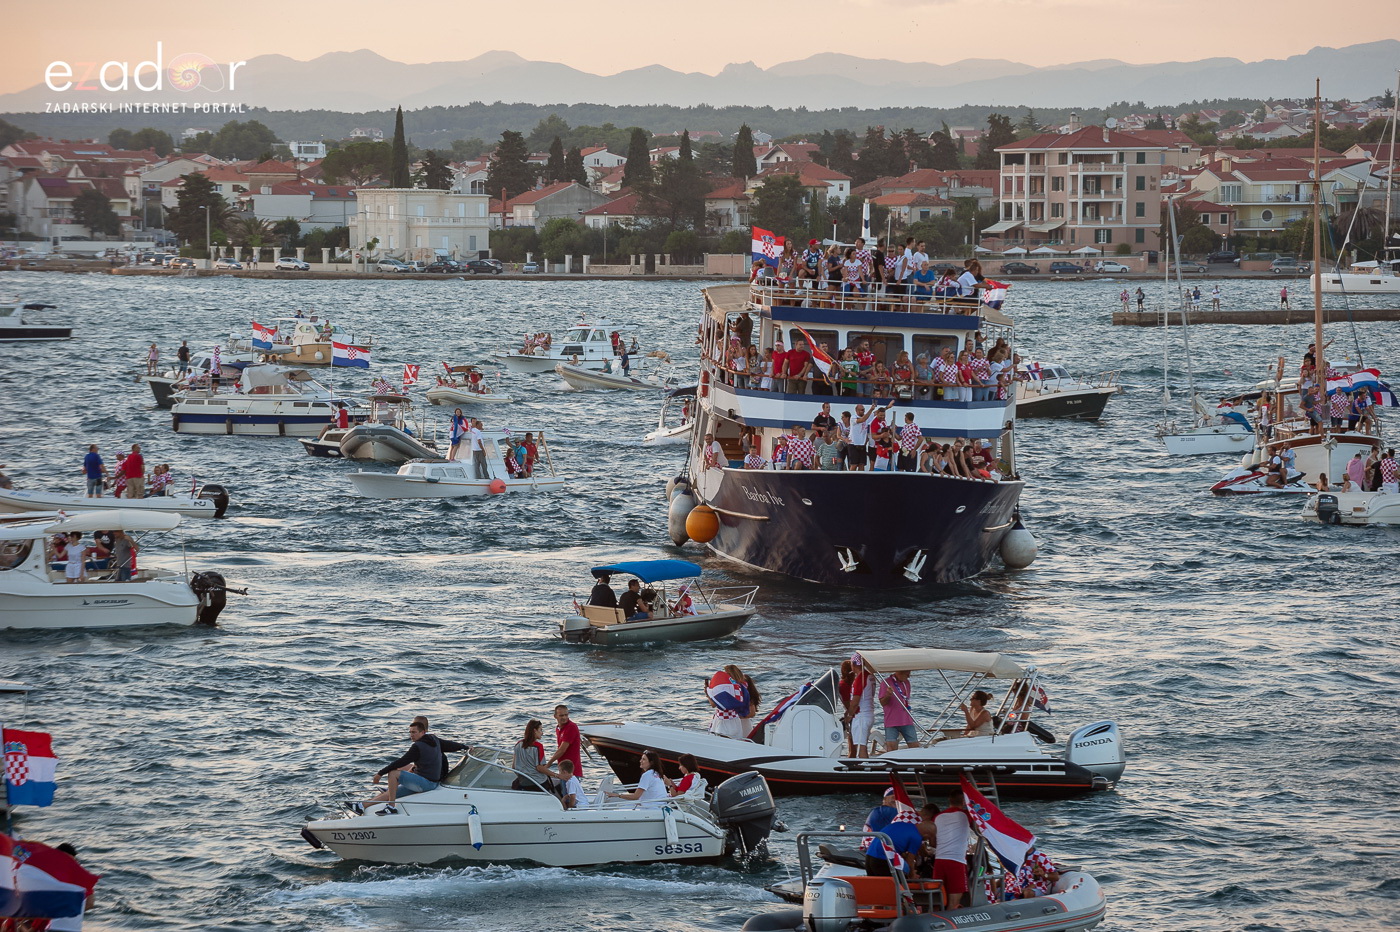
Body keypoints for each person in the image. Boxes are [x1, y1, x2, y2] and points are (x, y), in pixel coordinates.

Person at [354, 719, 470, 814]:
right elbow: (450, 745)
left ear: (423, 732)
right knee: (392, 792)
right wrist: (464, 747)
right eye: (410, 732)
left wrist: (380, 773)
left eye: (414, 732)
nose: (411, 735)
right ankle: (362, 805)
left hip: (426, 784)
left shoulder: (418, 746)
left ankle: (391, 807)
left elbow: (401, 761)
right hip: (429, 780)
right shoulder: (434, 739)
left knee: (393, 773)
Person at [931, 792, 972, 907]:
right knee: (954, 902)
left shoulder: (937, 817)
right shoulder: (966, 815)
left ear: (949, 801)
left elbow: (933, 842)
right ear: (964, 802)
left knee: (938, 898)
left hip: (939, 861)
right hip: (957, 861)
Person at [879, 670, 919, 751]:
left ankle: (915, 762)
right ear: (899, 673)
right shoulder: (886, 683)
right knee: (891, 748)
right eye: (907, 674)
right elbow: (882, 703)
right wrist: (888, 695)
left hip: (906, 720)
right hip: (891, 721)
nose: (908, 676)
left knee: (915, 746)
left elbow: (905, 698)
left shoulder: (906, 683)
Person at [707, 665, 750, 739]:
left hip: (723, 720)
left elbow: (713, 704)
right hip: (735, 719)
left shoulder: (726, 689)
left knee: (720, 743)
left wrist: (708, 693)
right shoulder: (741, 687)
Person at [846, 653, 876, 757]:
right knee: (862, 744)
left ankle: (864, 767)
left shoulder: (860, 679)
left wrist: (849, 715)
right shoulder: (870, 676)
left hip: (861, 715)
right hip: (869, 713)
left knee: (860, 746)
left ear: (854, 664)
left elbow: (855, 700)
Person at [511, 719, 553, 790]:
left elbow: (514, 767)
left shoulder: (518, 744)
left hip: (523, 782)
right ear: (535, 731)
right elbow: (539, 768)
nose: (542, 733)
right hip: (538, 783)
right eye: (540, 730)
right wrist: (556, 775)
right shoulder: (538, 747)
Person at [548, 704, 583, 778]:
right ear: (555, 716)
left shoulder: (571, 727)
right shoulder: (558, 728)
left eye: (566, 715)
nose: (564, 717)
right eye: (561, 715)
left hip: (572, 771)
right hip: (563, 769)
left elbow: (562, 750)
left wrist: (549, 764)